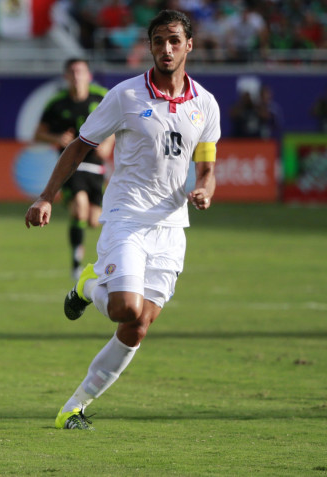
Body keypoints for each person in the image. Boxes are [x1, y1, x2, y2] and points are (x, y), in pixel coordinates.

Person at [25, 9, 220, 430]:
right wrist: (45, 196)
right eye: (157, 41)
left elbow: (206, 166)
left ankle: (72, 409)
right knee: (124, 309)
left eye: (173, 41)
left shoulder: (205, 105)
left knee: (139, 327)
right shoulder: (126, 96)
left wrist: (204, 189)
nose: (165, 49)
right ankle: (88, 284)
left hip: (171, 227)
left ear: (189, 45)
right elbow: (80, 146)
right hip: (126, 217)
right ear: (149, 46)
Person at [34, 58, 113, 282]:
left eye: (81, 71)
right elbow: (37, 133)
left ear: (88, 75)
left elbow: (117, 123)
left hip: (96, 167)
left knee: (93, 220)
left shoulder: (102, 97)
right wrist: (56, 137)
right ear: (66, 76)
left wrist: (108, 142)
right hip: (71, 166)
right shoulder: (57, 103)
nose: (77, 76)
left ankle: (98, 261)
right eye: (72, 72)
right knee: (79, 207)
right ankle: (76, 265)